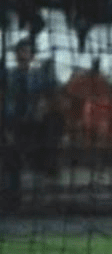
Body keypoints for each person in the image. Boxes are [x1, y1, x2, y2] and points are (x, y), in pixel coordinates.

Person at [1, 39, 63, 211]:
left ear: (32, 56)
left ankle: (42, 183)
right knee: (11, 158)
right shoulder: (9, 75)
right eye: (20, 52)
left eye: (26, 52)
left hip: (34, 124)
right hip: (12, 123)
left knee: (39, 151)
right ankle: (13, 198)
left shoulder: (38, 76)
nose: (23, 55)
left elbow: (52, 90)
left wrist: (43, 104)